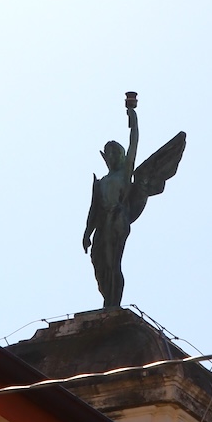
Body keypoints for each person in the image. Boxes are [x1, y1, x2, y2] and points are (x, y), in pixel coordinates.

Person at [83, 104, 139, 308]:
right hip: (102, 222)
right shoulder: (103, 181)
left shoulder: (124, 174)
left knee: (112, 261)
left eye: (116, 152)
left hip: (117, 219)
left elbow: (134, 143)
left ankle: (113, 301)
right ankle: (108, 297)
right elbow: (93, 210)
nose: (112, 156)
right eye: (109, 153)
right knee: (99, 263)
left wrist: (133, 119)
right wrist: (87, 233)